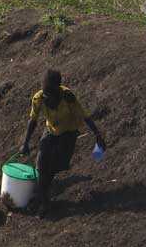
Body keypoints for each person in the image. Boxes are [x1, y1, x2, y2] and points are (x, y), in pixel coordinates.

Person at [20, 69, 107, 217]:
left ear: (59, 92)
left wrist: (97, 135)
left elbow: (85, 116)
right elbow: (33, 121)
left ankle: (43, 194)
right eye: (46, 96)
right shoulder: (39, 98)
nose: (49, 101)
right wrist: (25, 142)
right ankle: (45, 202)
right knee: (41, 163)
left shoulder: (68, 97)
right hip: (50, 131)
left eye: (52, 97)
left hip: (69, 132)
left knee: (56, 165)